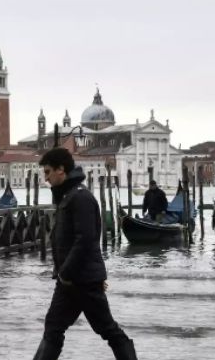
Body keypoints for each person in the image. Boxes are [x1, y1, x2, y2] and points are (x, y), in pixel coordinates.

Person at [34, 148, 137, 360]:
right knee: (53, 328)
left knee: (107, 329)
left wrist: (66, 273)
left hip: (82, 280)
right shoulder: (67, 197)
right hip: (70, 281)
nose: (46, 178)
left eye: (47, 172)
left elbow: (86, 240)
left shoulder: (80, 198)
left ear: (61, 170)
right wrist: (63, 275)